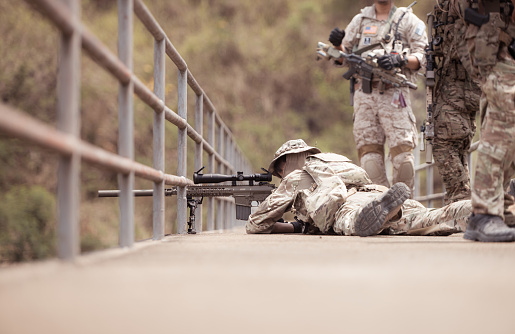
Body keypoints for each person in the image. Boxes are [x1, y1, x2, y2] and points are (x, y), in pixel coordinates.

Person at [246, 139, 475, 237]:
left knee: (353, 220)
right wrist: (299, 225)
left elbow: (256, 224)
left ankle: (379, 214)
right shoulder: (334, 161)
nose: (280, 175)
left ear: (286, 162)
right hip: (373, 192)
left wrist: (282, 224)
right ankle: (492, 208)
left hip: (348, 206)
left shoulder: (295, 177)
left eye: (279, 170)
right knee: (433, 217)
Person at [328, 0, 427, 197]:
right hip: (365, 96)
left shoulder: (407, 20)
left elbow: (423, 57)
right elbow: (342, 58)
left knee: (404, 159)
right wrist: (337, 44)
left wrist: (400, 59)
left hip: (395, 95)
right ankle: (379, 208)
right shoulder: (360, 21)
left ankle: (404, 207)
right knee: (369, 159)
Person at [454, 0, 515, 242]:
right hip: (492, 39)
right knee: (503, 122)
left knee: (506, 123)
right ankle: (485, 212)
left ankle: (500, 205)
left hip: (505, 38)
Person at [428, 0, 481, 205]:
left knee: (443, 141)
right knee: (458, 140)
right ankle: (459, 199)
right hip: (465, 80)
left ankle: (461, 195)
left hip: (463, 83)